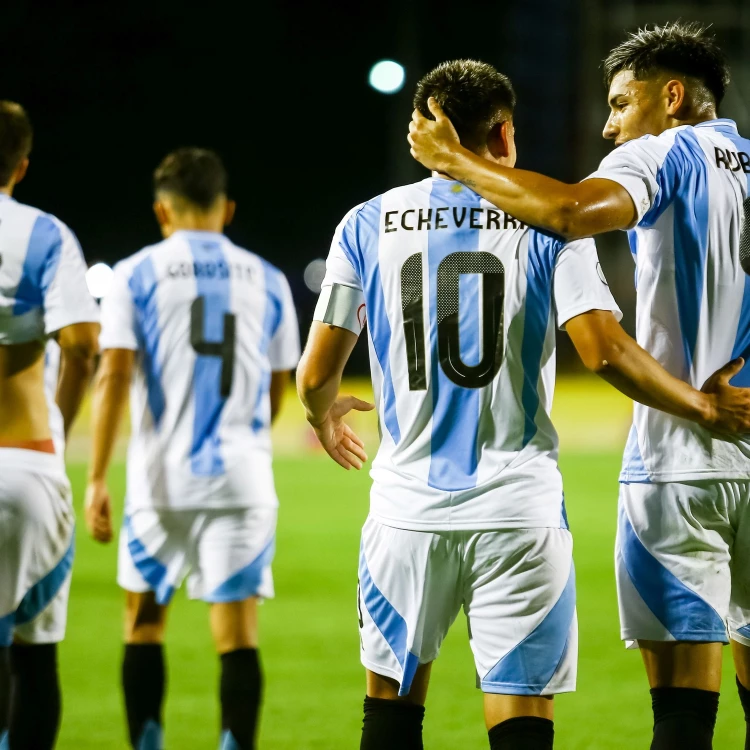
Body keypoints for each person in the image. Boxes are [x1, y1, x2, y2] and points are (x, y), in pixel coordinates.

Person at [297, 59, 750, 750]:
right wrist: (702, 403)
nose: (608, 125)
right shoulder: (546, 229)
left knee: (389, 717)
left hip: (405, 512)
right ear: (504, 135)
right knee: (521, 727)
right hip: (520, 511)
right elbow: (601, 347)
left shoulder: (366, 223)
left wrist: (320, 411)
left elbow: (314, 375)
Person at [84, 148, 300, 750]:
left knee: (143, 627)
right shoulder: (268, 277)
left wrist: (98, 477)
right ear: (227, 209)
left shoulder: (136, 273)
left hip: (160, 484)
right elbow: (277, 388)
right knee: (237, 637)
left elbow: (113, 378)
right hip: (242, 481)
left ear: (162, 211)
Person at [0, 100, 100, 749]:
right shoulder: (41, 233)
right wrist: (59, 426)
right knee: (35, 655)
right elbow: (85, 344)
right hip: (22, 459)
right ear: (22, 164)